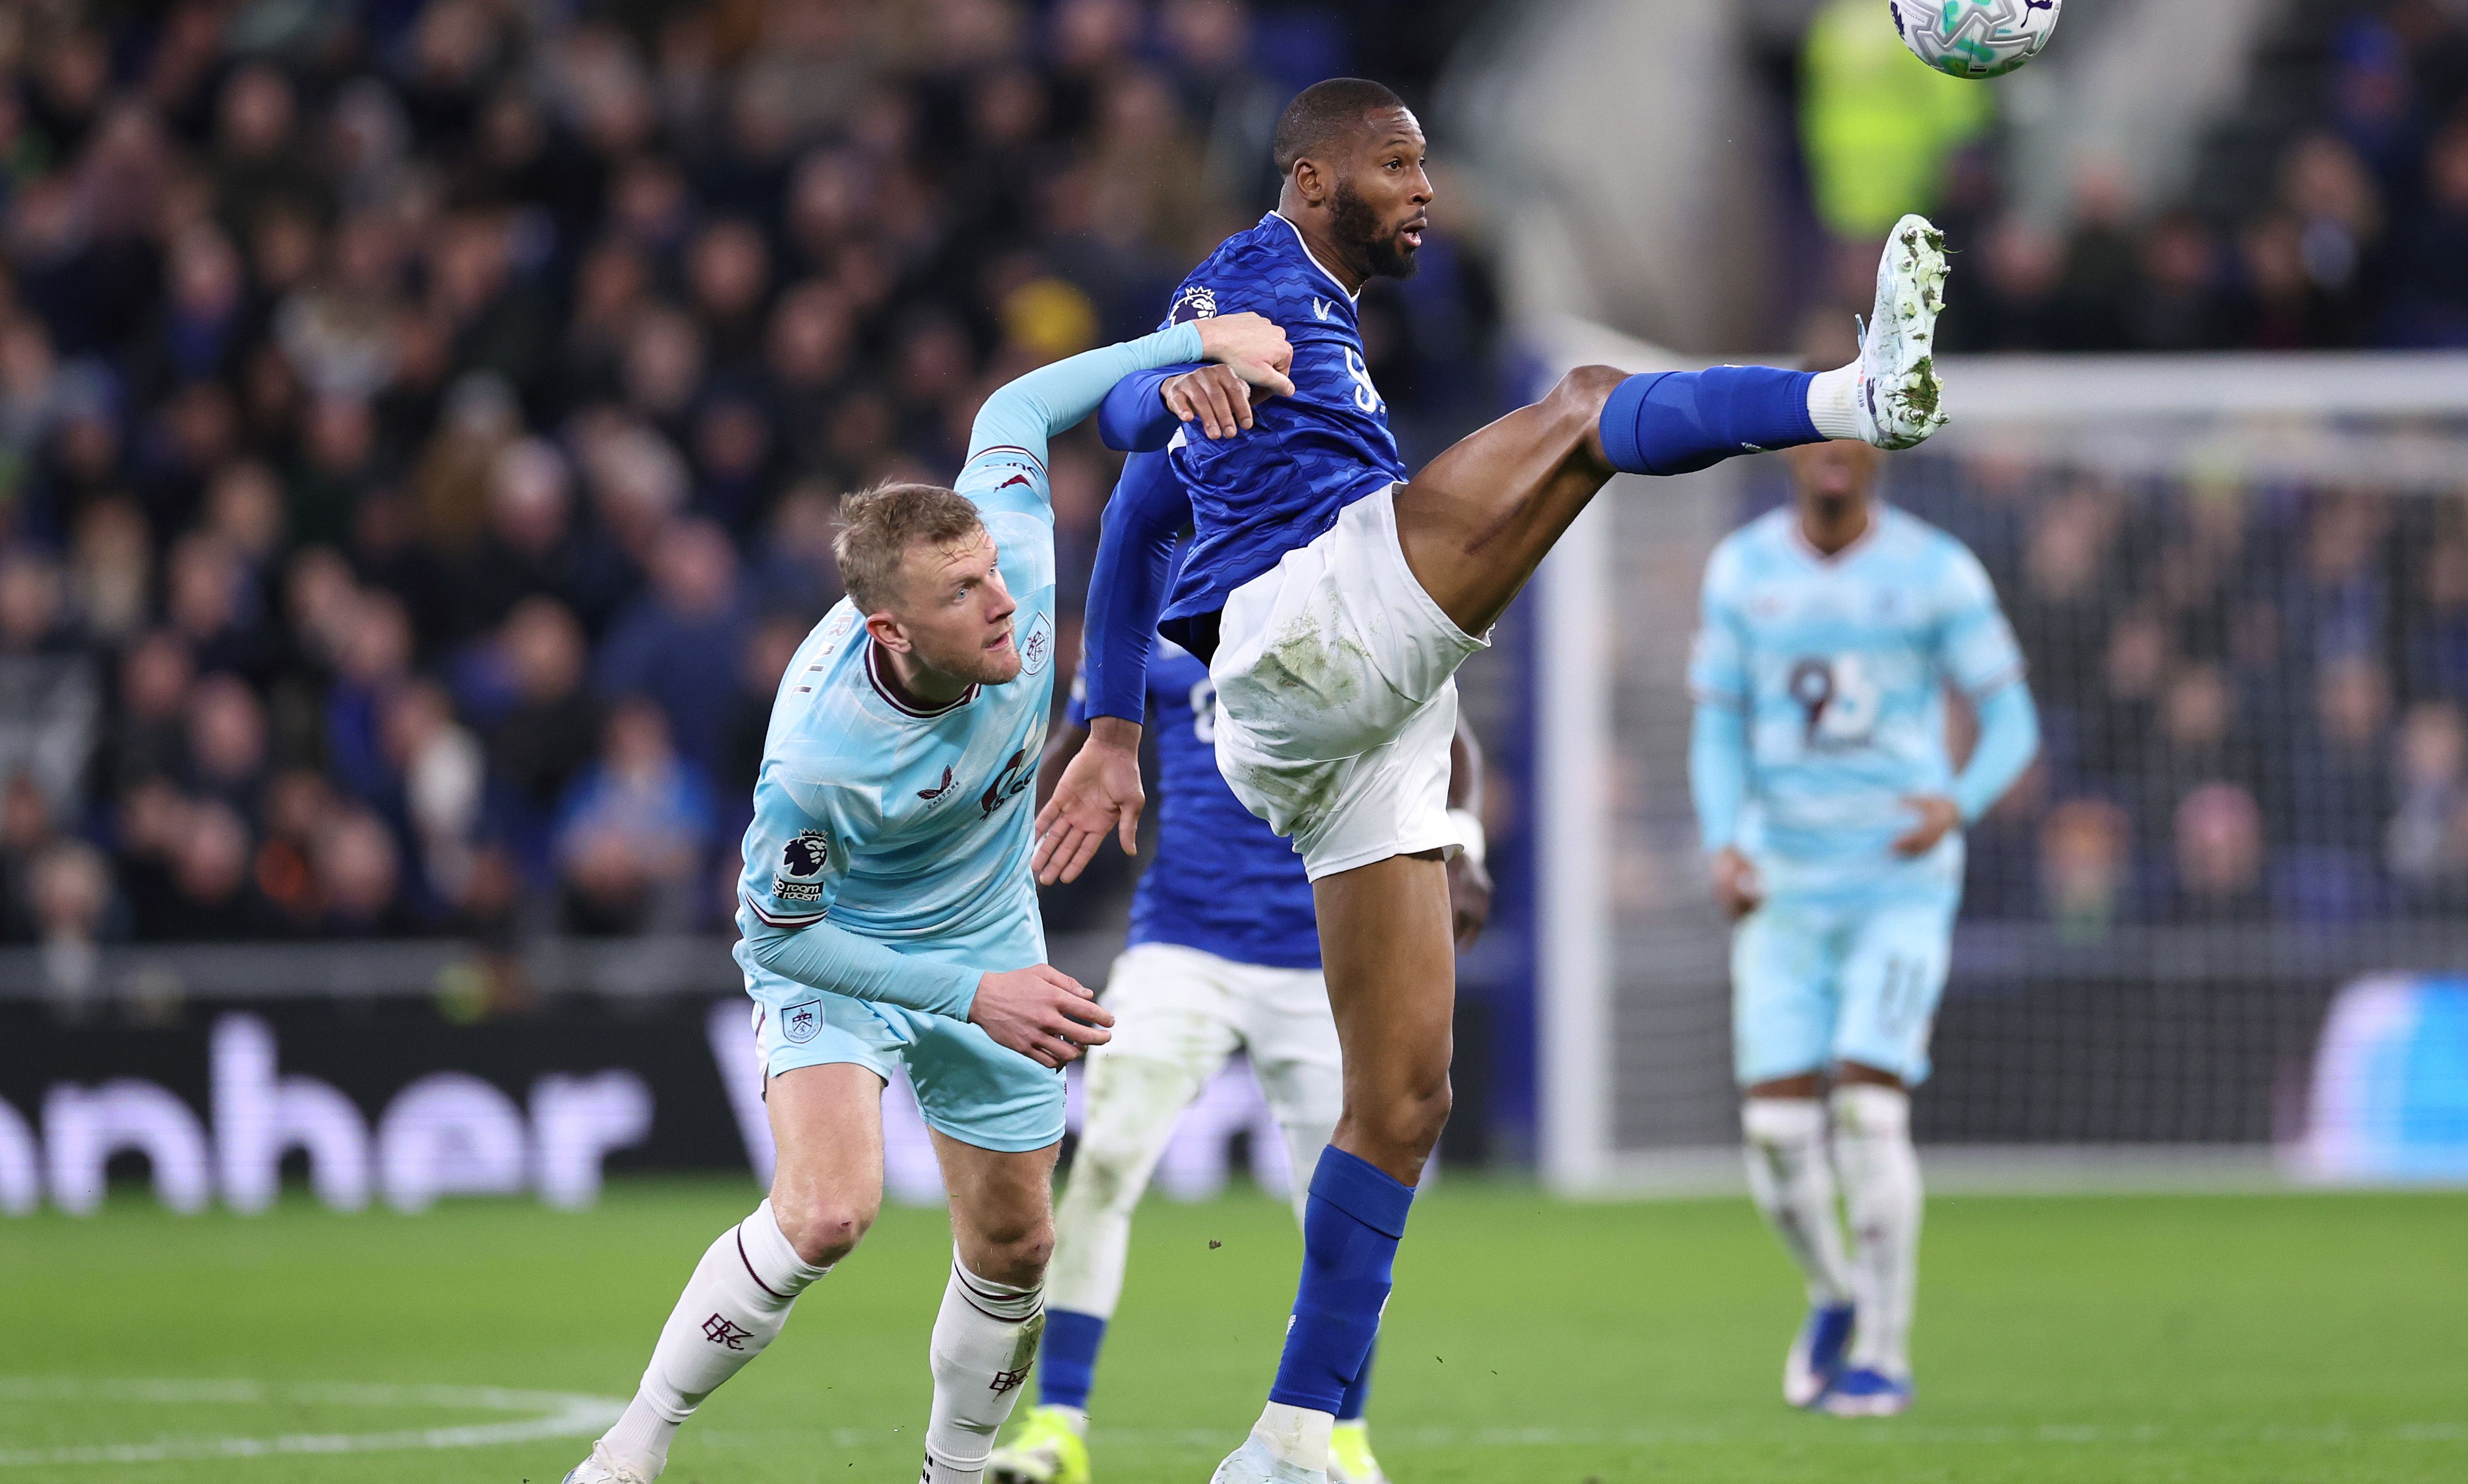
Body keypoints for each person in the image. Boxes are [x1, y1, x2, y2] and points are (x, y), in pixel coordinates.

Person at [1034, 77, 1950, 1483]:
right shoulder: (1251, 277)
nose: (1425, 190)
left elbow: (1152, 506)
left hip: (1358, 718)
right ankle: (1854, 393)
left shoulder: (1336, 345)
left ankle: (1293, 1437)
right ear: (1314, 181)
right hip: (1297, 640)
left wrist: (1113, 729)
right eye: (1397, 165)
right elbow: (1127, 424)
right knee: (1583, 411)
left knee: (1405, 1102)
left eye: (1426, 166)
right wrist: (1168, 381)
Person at [559, 308, 1295, 1484]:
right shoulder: (818, 761)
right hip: (846, 942)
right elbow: (778, 935)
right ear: (892, 631)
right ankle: (627, 1453)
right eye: (966, 594)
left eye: (995, 571)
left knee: (1016, 1244)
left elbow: (1012, 411)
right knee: (827, 1213)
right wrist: (974, 995)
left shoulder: (1007, 556)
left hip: (988, 924)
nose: (1006, 604)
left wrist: (1191, 350)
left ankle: (952, 1479)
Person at [989, 453, 1491, 1484]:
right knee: (1109, 1165)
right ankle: (1058, 1430)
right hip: (1182, 941)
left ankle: (1338, 1436)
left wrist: (1464, 842)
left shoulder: (1348, 590)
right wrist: (995, 848)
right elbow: (1085, 748)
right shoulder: (1168, 612)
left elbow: (1456, 738)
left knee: (1347, 1201)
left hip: (1322, 957)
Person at [1690, 437, 2039, 1417]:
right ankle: (1836, 1295)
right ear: (1794, 455)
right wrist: (1724, 841)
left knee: (1868, 1109)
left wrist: (1956, 803)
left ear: (1877, 455)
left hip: (1897, 878)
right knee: (1772, 1131)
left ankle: (1885, 1356)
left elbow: (2011, 719)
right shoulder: (1742, 569)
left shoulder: (1935, 571)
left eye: (1855, 434)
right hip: (1784, 881)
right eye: (1818, 436)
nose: (1835, 456)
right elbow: (1717, 725)